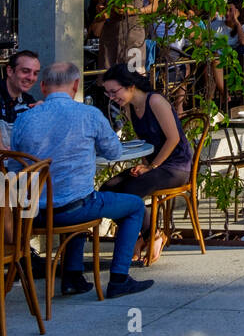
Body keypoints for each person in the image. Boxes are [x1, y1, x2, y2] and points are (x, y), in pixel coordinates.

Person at [11, 62, 154, 298]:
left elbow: (15, 166)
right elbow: (114, 153)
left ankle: (73, 277)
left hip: (34, 212)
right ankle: (119, 278)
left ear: (43, 86)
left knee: (77, 198)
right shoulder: (89, 115)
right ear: (76, 85)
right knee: (134, 206)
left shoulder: (24, 119)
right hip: (74, 208)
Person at [99, 64, 194, 265]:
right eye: (108, 94)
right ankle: (151, 234)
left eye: (114, 91)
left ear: (130, 85)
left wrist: (152, 167)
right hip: (153, 165)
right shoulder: (130, 107)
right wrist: (142, 165)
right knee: (107, 190)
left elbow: (173, 139)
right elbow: (145, 143)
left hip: (175, 166)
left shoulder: (155, 101)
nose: (112, 97)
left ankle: (147, 236)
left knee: (129, 192)